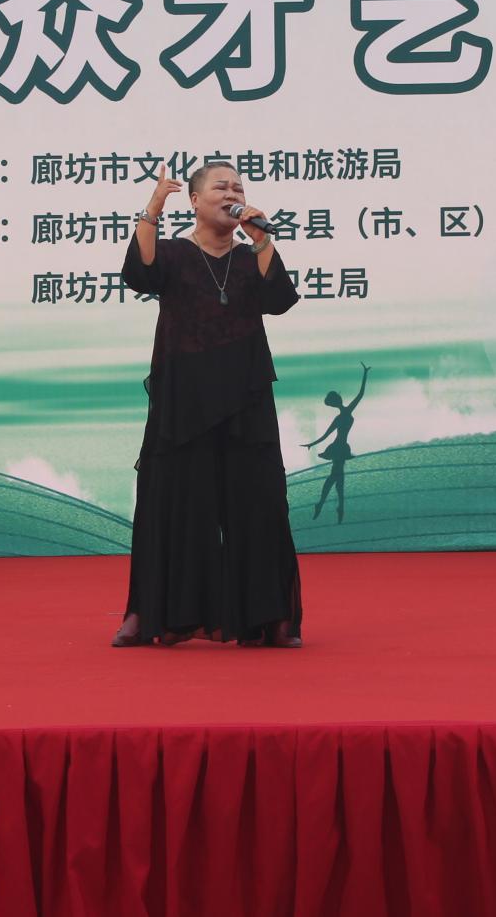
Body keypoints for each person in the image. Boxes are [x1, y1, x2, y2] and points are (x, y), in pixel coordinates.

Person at [113, 160, 304, 648]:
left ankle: (271, 615)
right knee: (171, 501)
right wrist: (154, 206)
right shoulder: (175, 253)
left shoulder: (250, 254)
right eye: (221, 186)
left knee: (259, 501)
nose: (232, 193)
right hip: (183, 397)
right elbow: (139, 272)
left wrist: (262, 239)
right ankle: (149, 612)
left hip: (245, 395)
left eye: (238, 186)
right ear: (195, 201)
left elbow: (279, 299)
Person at [305, 363, 370, 522]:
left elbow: (361, 394)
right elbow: (326, 435)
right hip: (339, 448)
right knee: (337, 477)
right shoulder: (341, 416)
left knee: (336, 477)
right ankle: (336, 506)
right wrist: (311, 444)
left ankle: (328, 505)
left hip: (340, 448)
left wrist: (365, 373)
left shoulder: (345, 413)